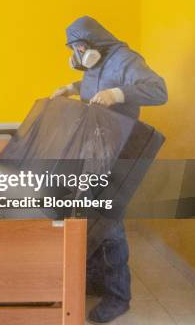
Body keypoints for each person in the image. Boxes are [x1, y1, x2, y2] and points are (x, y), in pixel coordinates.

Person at [51, 16, 167, 323]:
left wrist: (120, 95)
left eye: (79, 46)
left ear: (95, 42)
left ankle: (119, 297)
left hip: (120, 148)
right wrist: (73, 87)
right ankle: (96, 280)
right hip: (96, 147)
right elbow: (96, 84)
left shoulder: (127, 59)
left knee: (109, 221)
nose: (76, 54)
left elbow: (158, 90)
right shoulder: (96, 62)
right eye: (73, 48)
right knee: (87, 214)